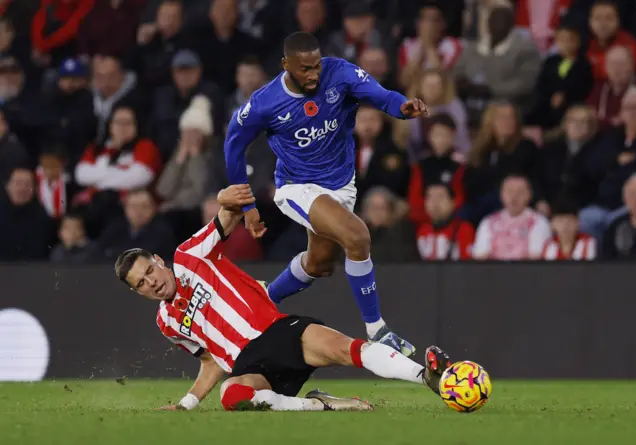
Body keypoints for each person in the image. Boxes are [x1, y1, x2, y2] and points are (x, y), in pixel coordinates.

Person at [113, 184, 452, 412]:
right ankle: (317, 405)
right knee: (232, 397)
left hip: (277, 332)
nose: (151, 283)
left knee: (348, 349)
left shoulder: (189, 255)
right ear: (136, 292)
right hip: (248, 366)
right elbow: (210, 360)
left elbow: (226, 218)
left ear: (158, 260)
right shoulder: (166, 322)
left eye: (149, 272)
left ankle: (427, 376)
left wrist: (224, 198)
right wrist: (186, 404)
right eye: (141, 284)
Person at [223, 32, 428, 356]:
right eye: (305, 69)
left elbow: (382, 96)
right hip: (297, 187)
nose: (314, 74)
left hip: (341, 185)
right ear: (285, 65)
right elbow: (234, 144)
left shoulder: (340, 74)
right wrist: (246, 205)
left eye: (316, 66)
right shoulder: (265, 102)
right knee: (357, 237)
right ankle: (378, 331)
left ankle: (262, 300)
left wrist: (401, 107)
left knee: (319, 264)